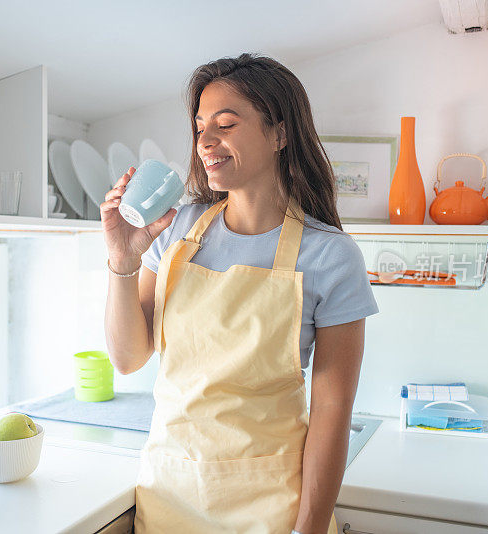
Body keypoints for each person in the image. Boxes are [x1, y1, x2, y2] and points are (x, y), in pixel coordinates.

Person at [101, 53, 379, 534]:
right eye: (200, 126)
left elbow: (332, 413)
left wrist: (308, 529)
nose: (205, 141)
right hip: (171, 494)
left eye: (226, 124)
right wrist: (123, 263)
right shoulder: (172, 232)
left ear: (280, 134)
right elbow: (127, 359)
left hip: (273, 507)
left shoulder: (330, 256)